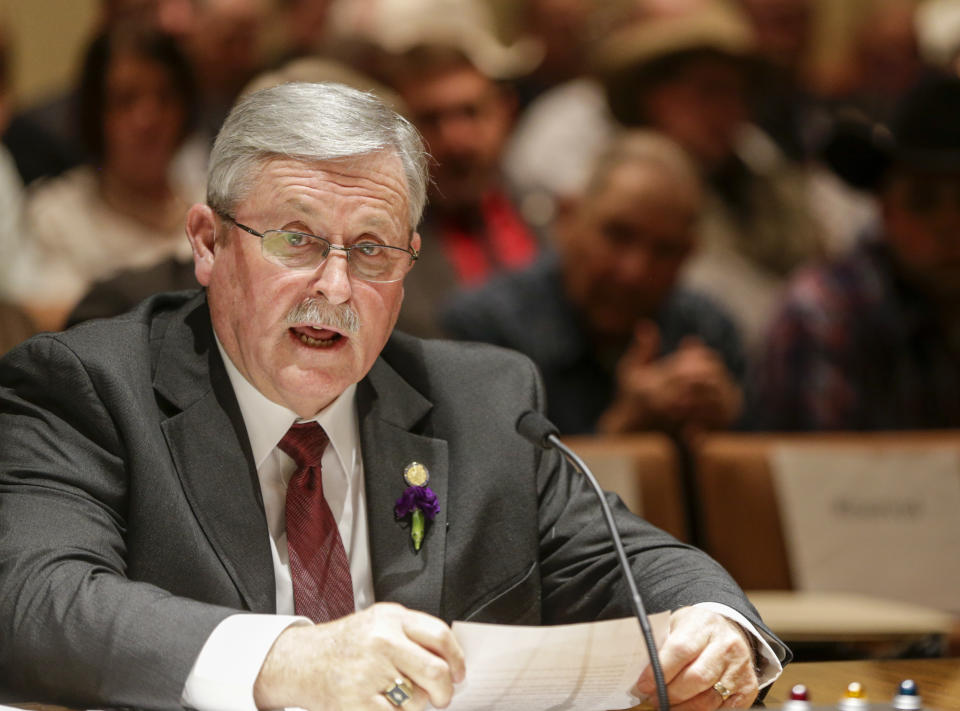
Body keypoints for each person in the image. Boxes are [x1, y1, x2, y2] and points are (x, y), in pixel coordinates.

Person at [0, 82, 787, 711]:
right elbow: (36, 601)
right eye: (297, 239)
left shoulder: (480, 400)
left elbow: (640, 563)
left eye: (372, 249)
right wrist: (285, 657)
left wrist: (718, 629)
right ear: (207, 243)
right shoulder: (91, 387)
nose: (335, 288)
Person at [443, 130, 744, 437]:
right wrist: (623, 428)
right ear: (568, 219)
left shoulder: (708, 332)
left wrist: (727, 436)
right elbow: (489, 480)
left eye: (665, 250)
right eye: (618, 235)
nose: (634, 271)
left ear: (688, 255)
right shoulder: (485, 332)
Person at [752, 75, 960, 431]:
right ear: (884, 206)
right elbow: (825, 477)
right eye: (923, 201)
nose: (950, 224)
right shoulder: (824, 313)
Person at [6, 23, 199, 332]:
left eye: (164, 97)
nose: (148, 118)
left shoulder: (211, 204)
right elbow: (58, 325)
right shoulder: (57, 214)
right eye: (126, 99)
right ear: (95, 113)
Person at [387, 41, 544, 338]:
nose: (456, 141)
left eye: (470, 113)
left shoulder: (545, 209)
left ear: (505, 113)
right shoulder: (389, 247)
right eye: (431, 120)